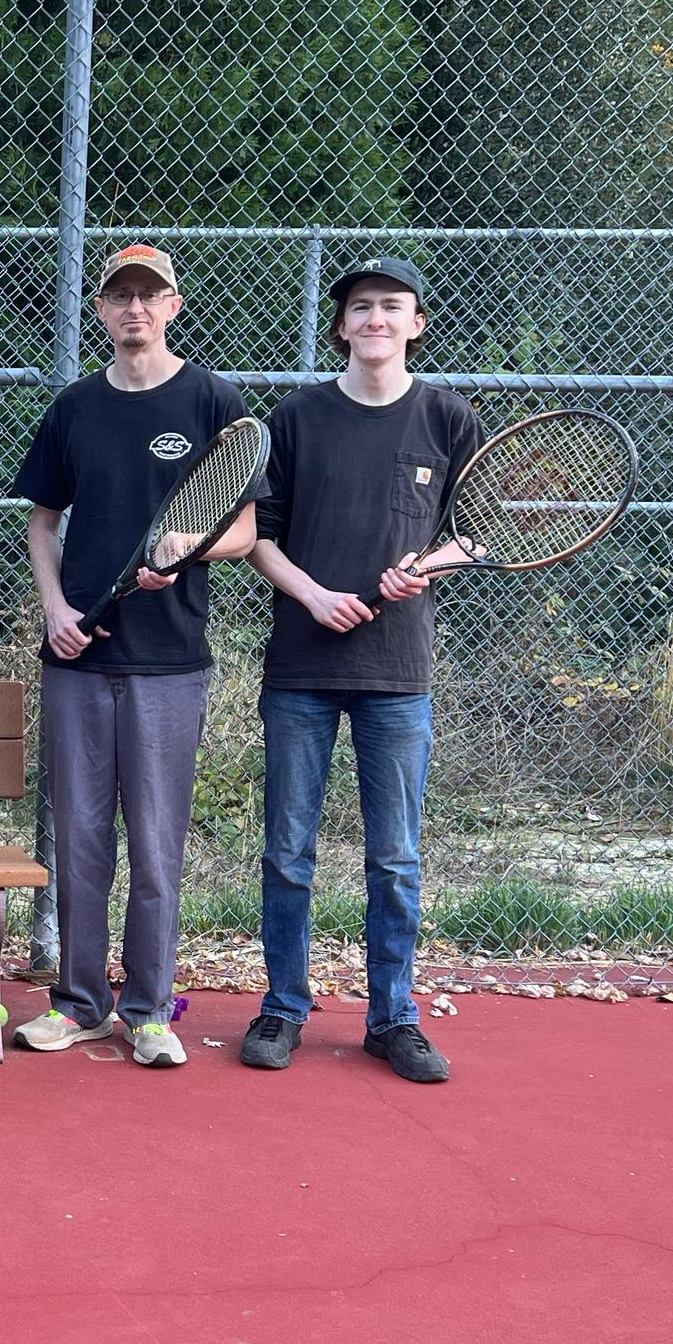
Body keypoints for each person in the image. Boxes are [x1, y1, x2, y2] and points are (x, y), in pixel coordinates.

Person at [9, 245, 260, 1069]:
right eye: (120, 296)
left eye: (149, 297)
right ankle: (79, 1003)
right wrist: (54, 611)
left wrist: (189, 545)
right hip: (76, 659)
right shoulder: (75, 407)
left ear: (174, 306)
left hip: (170, 662)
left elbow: (250, 531)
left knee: (154, 847)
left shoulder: (212, 399)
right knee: (79, 842)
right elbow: (43, 524)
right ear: (102, 310)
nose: (134, 310)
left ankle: (149, 1010)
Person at [240, 257, 481, 1083]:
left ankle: (392, 1019)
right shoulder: (299, 417)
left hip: (397, 675)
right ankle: (282, 1008)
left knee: (396, 859)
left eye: (393, 307)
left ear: (416, 324)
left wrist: (429, 566)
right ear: (339, 325)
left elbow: (475, 531)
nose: (376, 319)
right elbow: (259, 536)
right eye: (361, 308)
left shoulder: (446, 416)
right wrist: (313, 594)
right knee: (288, 853)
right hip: (302, 668)